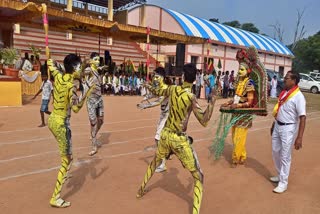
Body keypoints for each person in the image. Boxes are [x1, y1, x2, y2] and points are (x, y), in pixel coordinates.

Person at [137, 63, 216, 214]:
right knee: (199, 177)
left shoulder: (172, 89)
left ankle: (140, 190)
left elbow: (157, 90)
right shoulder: (191, 97)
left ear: (183, 77)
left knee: (154, 163)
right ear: (193, 80)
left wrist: (148, 84)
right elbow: (204, 120)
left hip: (166, 135)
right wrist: (212, 103)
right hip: (179, 140)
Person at [47, 54, 93, 208]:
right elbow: (76, 108)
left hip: (53, 119)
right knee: (66, 161)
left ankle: (65, 173)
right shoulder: (71, 86)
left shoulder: (58, 76)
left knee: (69, 156)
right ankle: (55, 197)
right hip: (61, 124)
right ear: (74, 69)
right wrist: (85, 93)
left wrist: (52, 62)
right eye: (79, 67)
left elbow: (51, 65)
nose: (81, 70)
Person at [270, 71, 306, 193]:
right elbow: (280, 109)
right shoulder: (284, 93)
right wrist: (274, 123)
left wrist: (299, 137)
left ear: (294, 81)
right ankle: (280, 175)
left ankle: (283, 182)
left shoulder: (299, 97)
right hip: (277, 125)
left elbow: (303, 117)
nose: (284, 80)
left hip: (288, 128)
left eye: (286, 78)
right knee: (275, 151)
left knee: (285, 156)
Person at [137, 67, 170, 173]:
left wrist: (145, 106)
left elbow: (158, 102)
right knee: (165, 138)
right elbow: (154, 93)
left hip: (168, 116)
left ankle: (162, 164)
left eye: (157, 77)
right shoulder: (160, 87)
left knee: (157, 138)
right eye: (154, 77)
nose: (155, 79)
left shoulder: (165, 88)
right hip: (164, 114)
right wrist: (146, 97)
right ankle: (168, 153)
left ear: (162, 77)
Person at [84, 52, 104, 156]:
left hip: (99, 99)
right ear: (91, 60)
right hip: (91, 100)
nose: (98, 61)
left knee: (101, 121)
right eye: (95, 59)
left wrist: (100, 68)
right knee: (94, 122)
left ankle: (93, 135)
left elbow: (98, 69)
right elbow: (84, 71)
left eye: (98, 59)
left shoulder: (97, 70)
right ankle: (94, 146)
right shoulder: (89, 70)